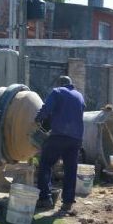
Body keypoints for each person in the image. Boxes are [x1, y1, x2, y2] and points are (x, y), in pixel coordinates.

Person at [35, 75, 85, 215]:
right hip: (76, 138)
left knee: (45, 164)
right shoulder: (79, 96)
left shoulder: (57, 91)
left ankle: (45, 198)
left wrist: (37, 119)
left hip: (59, 136)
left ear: (60, 84)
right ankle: (67, 203)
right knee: (70, 169)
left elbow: (46, 109)